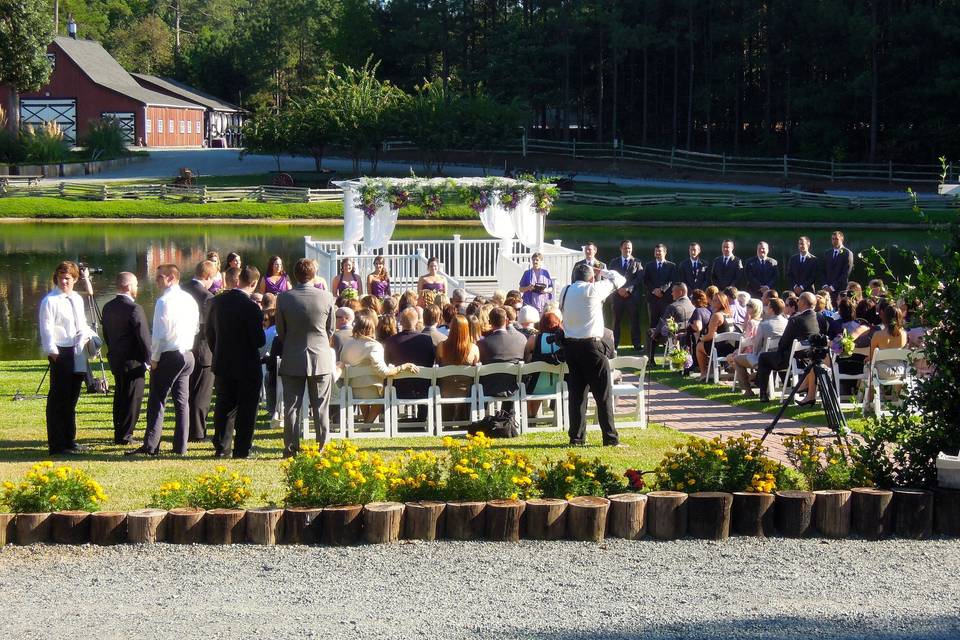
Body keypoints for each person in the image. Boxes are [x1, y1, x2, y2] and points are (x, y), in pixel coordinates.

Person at [128, 264, 199, 456]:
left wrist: (155, 358)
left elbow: (159, 334)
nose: (157, 280)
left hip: (170, 353)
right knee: (182, 402)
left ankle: (151, 445)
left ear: (171, 278)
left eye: (160, 277)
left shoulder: (164, 301)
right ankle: (180, 447)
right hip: (187, 354)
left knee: (157, 399)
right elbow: (195, 327)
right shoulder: (189, 299)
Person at [276, 258, 337, 457]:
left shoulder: (284, 298)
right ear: (313, 274)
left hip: (293, 356)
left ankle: (291, 448)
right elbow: (331, 330)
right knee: (321, 407)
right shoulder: (327, 297)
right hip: (320, 357)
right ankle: (323, 447)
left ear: (295, 274)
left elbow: (281, 331)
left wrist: (293, 342)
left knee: (291, 408)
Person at [560, 263, 626, 446]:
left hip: (571, 347)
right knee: (603, 394)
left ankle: (576, 437)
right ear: (591, 278)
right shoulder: (593, 289)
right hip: (591, 346)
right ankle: (610, 438)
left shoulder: (565, 291)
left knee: (577, 395)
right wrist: (602, 271)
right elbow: (620, 279)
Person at [39, 261, 99, 455]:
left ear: (74, 279)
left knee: (72, 397)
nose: (64, 281)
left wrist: (88, 339)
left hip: (77, 349)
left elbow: (80, 323)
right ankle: (57, 444)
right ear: (56, 278)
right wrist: (52, 351)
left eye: (68, 278)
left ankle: (69, 439)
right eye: (61, 277)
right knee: (59, 398)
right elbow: (46, 328)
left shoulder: (76, 299)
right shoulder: (50, 300)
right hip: (60, 352)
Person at [206, 266, 266, 458]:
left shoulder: (216, 302)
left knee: (224, 405)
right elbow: (259, 341)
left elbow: (209, 333)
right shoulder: (251, 307)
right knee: (248, 408)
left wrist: (217, 352)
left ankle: (222, 447)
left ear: (238, 280)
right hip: (247, 364)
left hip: (223, 361)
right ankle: (242, 449)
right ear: (254, 283)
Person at [340, 309, 419, 423]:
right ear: (372, 329)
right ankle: (368, 424)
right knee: (384, 391)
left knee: (365, 385)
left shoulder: (347, 344)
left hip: (352, 388)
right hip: (373, 391)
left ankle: (366, 422)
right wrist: (403, 367)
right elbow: (383, 372)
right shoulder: (374, 346)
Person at [102, 272, 151, 445]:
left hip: (116, 358)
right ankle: (126, 435)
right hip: (133, 361)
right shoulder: (134, 308)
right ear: (129, 286)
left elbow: (106, 335)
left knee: (120, 397)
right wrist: (149, 359)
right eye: (136, 284)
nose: (137, 287)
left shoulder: (108, 307)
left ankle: (119, 432)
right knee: (133, 399)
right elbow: (143, 337)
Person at [756, 292, 822, 402]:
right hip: (813, 357)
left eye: (799, 301)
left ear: (802, 303)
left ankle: (763, 394)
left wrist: (780, 351)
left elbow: (784, 342)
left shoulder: (796, 320)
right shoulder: (820, 318)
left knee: (763, 357)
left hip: (794, 360)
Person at [183, 260, 216, 442]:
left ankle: (185, 428)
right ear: (208, 276)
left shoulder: (181, 289)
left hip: (183, 348)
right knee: (201, 394)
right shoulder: (207, 297)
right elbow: (209, 328)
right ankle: (197, 432)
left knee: (185, 391)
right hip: (203, 349)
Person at [385, 307, 437, 422]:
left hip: (397, 388)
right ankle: (422, 418)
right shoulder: (426, 340)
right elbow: (432, 361)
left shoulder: (391, 341)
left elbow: (387, 364)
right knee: (425, 380)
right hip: (423, 390)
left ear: (400, 322)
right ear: (418, 320)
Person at [477, 306, 528, 414]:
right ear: (507, 321)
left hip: (488, 387)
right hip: (513, 386)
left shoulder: (482, 343)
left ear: (490, 322)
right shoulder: (521, 339)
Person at [736, 297, 788, 397]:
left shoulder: (764, 324)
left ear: (771, 309)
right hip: (783, 357)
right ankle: (755, 380)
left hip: (766, 359)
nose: (766, 309)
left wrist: (753, 351)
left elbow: (756, 346)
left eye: (767, 307)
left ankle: (748, 390)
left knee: (737, 359)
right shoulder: (787, 322)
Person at [436, 315, 481, 422]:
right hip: (467, 392)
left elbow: (438, 364)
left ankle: (446, 420)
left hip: (444, 391)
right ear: (467, 329)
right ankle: (463, 419)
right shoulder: (474, 349)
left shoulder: (441, 346)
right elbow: (477, 371)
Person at [523, 310, 564, 418]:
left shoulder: (534, 339)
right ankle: (533, 415)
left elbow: (526, 359)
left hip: (536, 385)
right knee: (542, 377)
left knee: (531, 380)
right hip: (558, 385)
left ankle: (529, 416)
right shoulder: (563, 341)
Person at [609, 240, 644, 351]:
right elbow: (610, 277)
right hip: (617, 296)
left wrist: (628, 289)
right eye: (625, 248)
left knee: (634, 322)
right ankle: (614, 345)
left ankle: (637, 345)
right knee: (616, 322)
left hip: (632, 297)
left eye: (629, 248)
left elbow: (639, 279)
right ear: (621, 248)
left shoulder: (637, 262)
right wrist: (619, 289)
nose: (627, 250)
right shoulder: (614, 262)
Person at [643, 243, 677, 349]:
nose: (658, 253)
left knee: (667, 323)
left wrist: (662, 290)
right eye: (656, 251)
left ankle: (667, 344)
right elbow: (646, 280)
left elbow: (672, 280)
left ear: (665, 252)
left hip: (666, 299)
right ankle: (652, 346)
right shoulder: (649, 265)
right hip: (653, 300)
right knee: (653, 323)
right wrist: (654, 290)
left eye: (660, 251)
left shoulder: (671, 266)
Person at [695, 291, 735, 381]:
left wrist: (702, 338)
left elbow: (710, 335)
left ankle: (703, 373)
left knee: (699, 346)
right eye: (713, 300)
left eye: (716, 301)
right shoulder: (729, 314)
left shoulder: (717, 315)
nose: (713, 302)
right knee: (704, 344)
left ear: (722, 302)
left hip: (720, 349)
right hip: (731, 347)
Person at [649, 283, 695, 361]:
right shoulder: (693, 304)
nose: (672, 293)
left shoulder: (673, 306)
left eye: (673, 291)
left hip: (674, 335)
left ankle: (650, 360)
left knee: (650, 332)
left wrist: (654, 334)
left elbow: (663, 322)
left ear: (680, 292)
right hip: (689, 333)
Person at [823, 230, 854, 304]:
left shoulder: (848, 253)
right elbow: (823, 270)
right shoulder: (827, 253)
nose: (834, 241)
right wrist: (825, 285)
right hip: (827, 289)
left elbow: (845, 274)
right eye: (833, 239)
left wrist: (832, 287)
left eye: (836, 239)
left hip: (840, 290)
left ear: (841, 239)